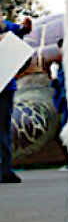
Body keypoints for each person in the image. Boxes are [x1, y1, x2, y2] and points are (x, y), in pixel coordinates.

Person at [0, 15, 32, 184]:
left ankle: (5, 170)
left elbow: (22, 30)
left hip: (5, 87)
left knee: (3, 130)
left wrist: (26, 27)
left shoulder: (6, 27)